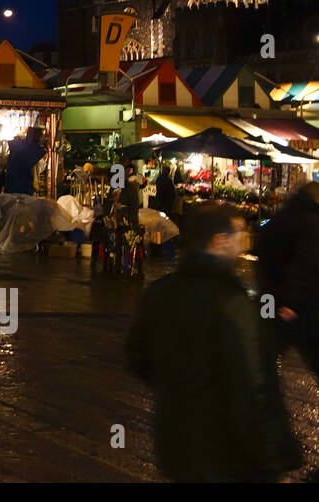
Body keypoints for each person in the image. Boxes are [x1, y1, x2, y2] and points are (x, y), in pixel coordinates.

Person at [126, 203, 300, 482]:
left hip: (174, 441)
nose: (243, 240)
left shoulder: (160, 293)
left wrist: (178, 389)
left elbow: (137, 356)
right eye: (239, 233)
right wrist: (272, 464)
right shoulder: (233, 303)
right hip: (225, 452)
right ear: (220, 241)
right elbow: (254, 388)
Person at [255, 181, 319, 383]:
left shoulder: (275, 219)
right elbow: (304, 265)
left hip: (268, 297)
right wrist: (291, 303)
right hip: (298, 304)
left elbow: (261, 257)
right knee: (312, 349)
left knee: (267, 351)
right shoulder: (312, 223)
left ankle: (263, 393)